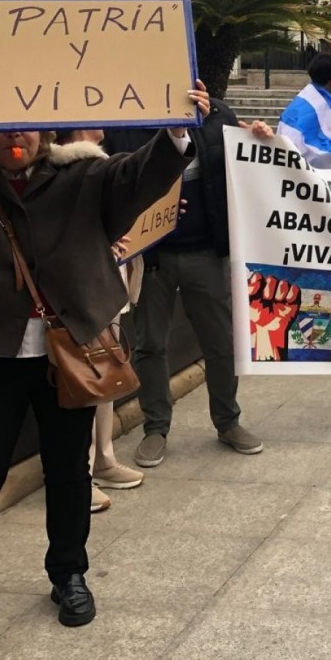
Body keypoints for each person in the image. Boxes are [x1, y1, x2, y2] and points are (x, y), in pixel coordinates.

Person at [0, 61, 199, 657]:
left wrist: (176, 129)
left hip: (68, 353)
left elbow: (142, 175)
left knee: (70, 471)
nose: (13, 139)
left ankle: (68, 574)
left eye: (24, 129)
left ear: (45, 132)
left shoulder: (86, 178)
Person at [103, 89, 264, 470]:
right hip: (150, 257)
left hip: (206, 252)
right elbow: (111, 177)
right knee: (149, 344)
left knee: (220, 342)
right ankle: (155, 428)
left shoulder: (217, 115)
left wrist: (260, 139)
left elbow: (242, 168)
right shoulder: (128, 119)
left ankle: (228, 421)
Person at [53, 129, 146, 514]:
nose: (104, 130)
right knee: (79, 381)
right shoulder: (55, 171)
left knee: (106, 371)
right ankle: (80, 472)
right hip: (76, 295)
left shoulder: (102, 165)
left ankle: (103, 458)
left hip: (107, 285)